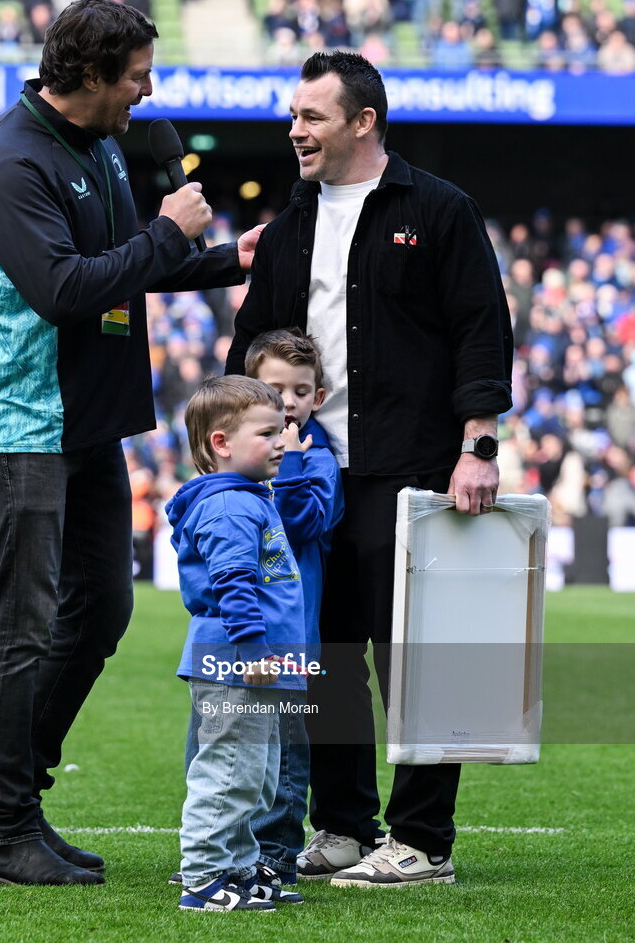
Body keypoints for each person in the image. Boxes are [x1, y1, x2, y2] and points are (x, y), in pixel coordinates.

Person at [0, 0, 262, 887]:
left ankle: (7, 806)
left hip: (84, 421)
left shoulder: (102, 147)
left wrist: (229, 259)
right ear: (86, 75)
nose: (147, 90)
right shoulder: (10, 160)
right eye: (134, 76)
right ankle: (7, 827)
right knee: (18, 628)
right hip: (23, 425)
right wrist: (170, 233)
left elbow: (131, 262)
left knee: (102, 612)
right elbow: (60, 287)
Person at [226, 50, 513, 887]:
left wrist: (476, 446)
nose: (294, 131)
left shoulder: (439, 209)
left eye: (311, 117)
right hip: (312, 476)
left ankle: (422, 841)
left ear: (363, 121)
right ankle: (344, 828)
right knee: (325, 654)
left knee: (416, 658)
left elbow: (480, 332)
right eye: (292, 116)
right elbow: (251, 347)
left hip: (416, 470)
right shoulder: (288, 226)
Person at [166, 375, 306, 911]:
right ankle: (203, 877)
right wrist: (253, 654)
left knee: (256, 777)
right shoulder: (230, 508)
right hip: (236, 665)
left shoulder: (249, 499)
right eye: (268, 433)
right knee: (228, 772)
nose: (281, 442)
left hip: (255, 666)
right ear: (221, 443)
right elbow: (233, 585)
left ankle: (240, 868)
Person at [243, 329, 344, 882]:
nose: (286, 401)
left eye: (299, 391)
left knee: (284, 755)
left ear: (317, 399)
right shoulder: (234, 458)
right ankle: (224, 848)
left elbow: (304, 522)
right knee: (227, 744)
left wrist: (294, 464)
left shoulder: (320, 460)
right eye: (272, 387)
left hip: (291, 639)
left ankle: (276, 853)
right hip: (234, 635)